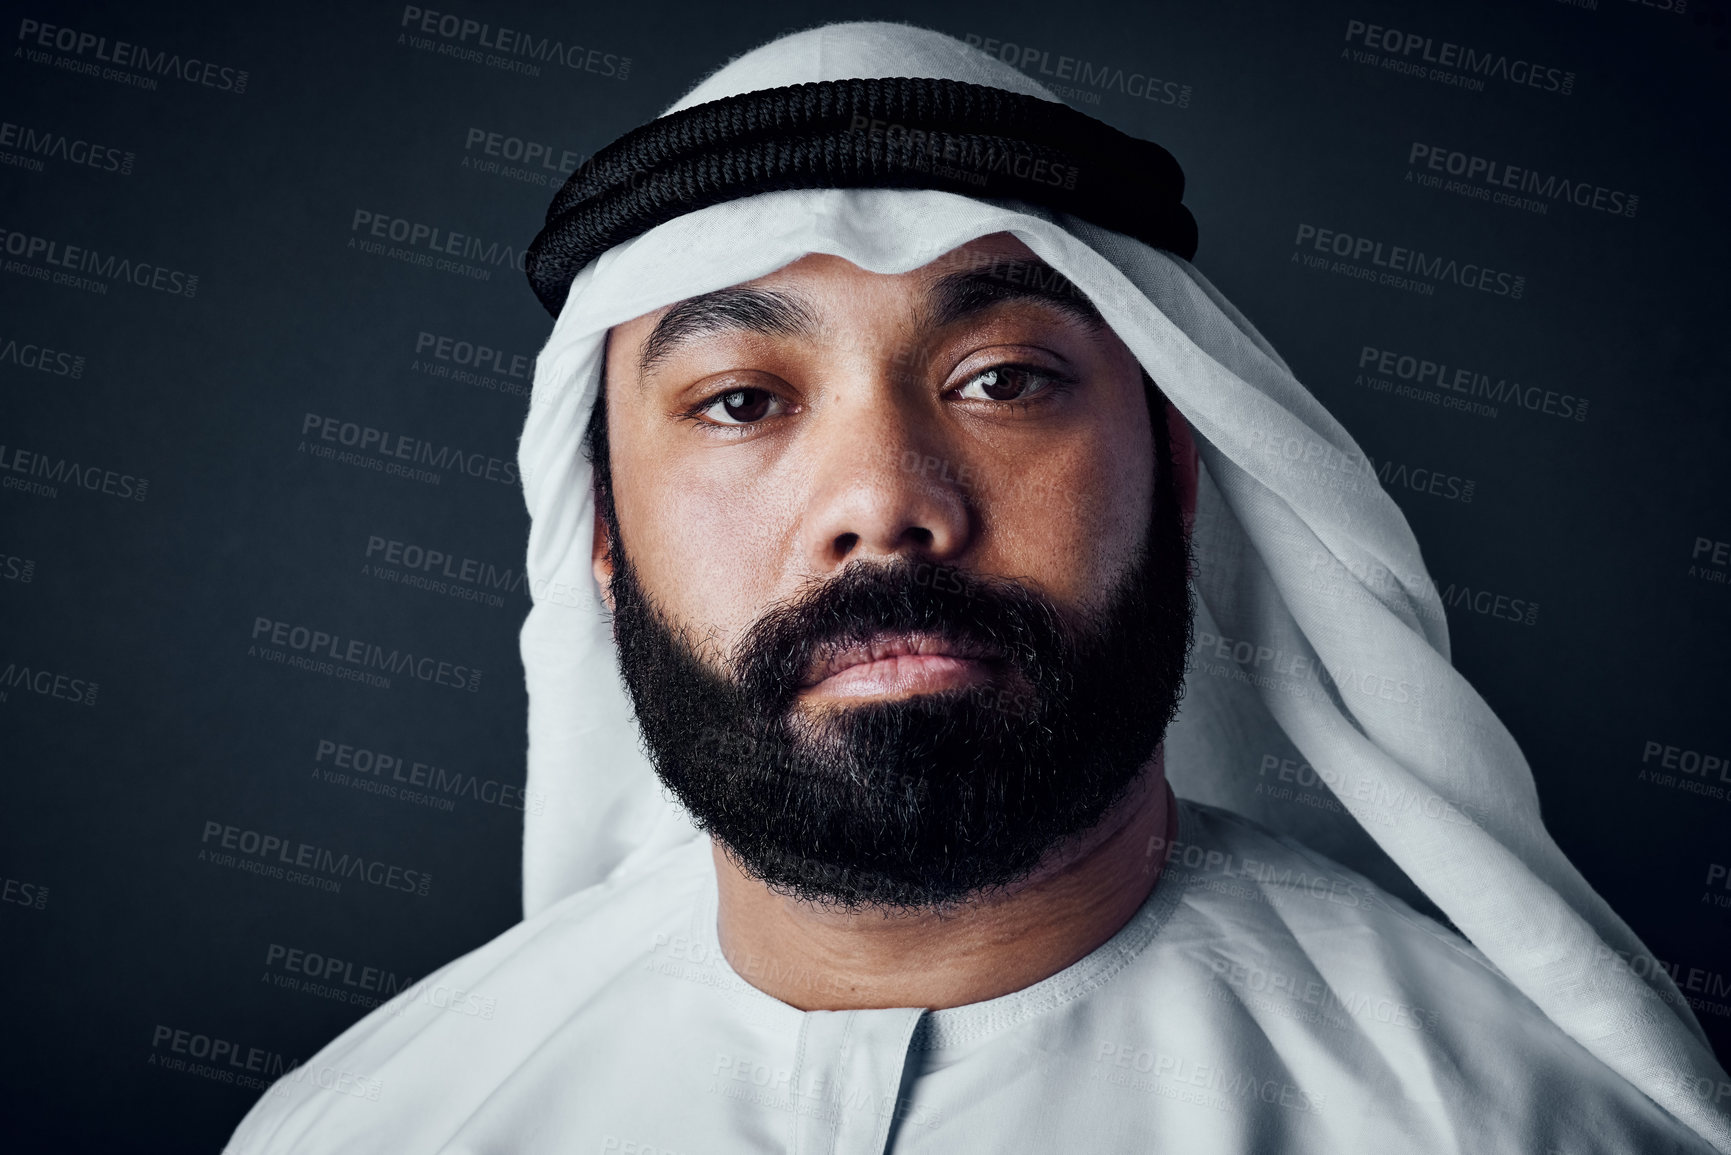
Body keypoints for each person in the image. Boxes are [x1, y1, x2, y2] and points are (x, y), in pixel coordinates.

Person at [225, 22, 1731, 1154]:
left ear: (1183, 481)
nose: (884, 502)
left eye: (1001, 378)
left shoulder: (1521, 1127)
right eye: (744, 401)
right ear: (602, 542)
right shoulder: (375, 1125)